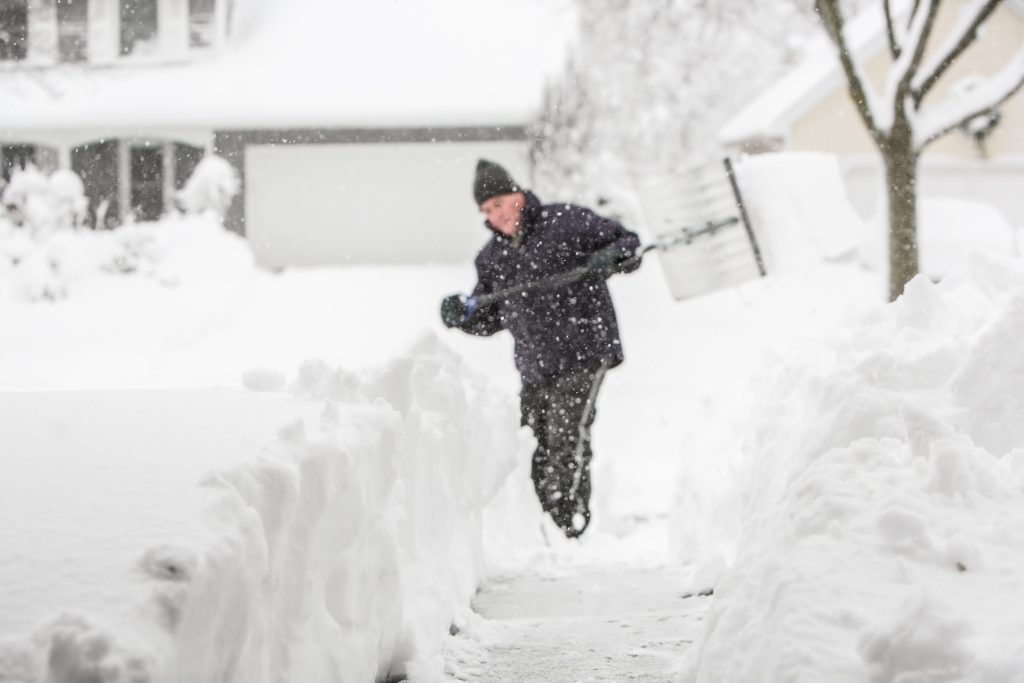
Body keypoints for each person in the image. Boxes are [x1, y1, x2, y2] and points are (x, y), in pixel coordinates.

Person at [440, 159, 641, 538]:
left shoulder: (566, 221)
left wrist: (609, 257)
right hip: (535, 364)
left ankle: (568, 518)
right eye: (486, 210)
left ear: (517, 194)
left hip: (584, 348)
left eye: (499, 203)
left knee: (567, 433)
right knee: (533, 438)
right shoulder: (492, 258)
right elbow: (489, 315)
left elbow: (628, 243)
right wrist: (462, 314)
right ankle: (541, 524)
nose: (495, 216)